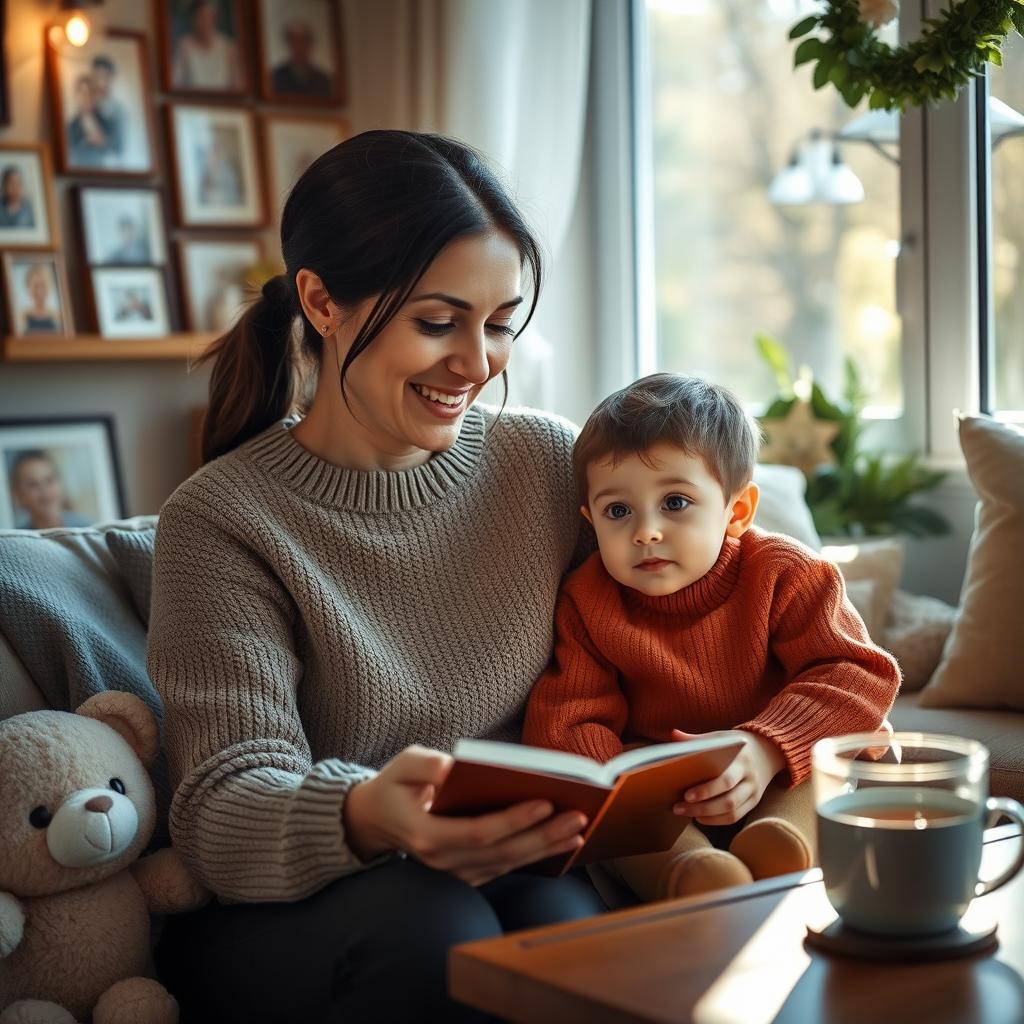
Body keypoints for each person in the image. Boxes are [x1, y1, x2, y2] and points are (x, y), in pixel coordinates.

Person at [148, 129, 605, 1024]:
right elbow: (218, 806)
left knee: (561, 922)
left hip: (513, 871)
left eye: (501, 322)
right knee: (429, 923)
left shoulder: (547, 466)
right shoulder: (220, 520)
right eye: (437, 322)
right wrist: (366, 815)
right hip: (295, 916)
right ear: (321, 301)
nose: (477, 364)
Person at [523, 373, 901, 902]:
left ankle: (782, 850)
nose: (646, 530)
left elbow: (859, 673)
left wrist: (767, 747)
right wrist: (620, 785)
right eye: (618, 511)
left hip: (783, 767)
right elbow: (569, 719)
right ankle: (692, 876)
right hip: (670, 794)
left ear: (737, 511)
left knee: (831, 767)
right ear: (591, 521)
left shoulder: (785, 573)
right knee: (622, 817)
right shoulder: (587, 601)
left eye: (675, 503)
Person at [171, 0, 243, 91]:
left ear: (214, 18)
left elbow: (238, 86)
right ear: (193, 20)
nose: (205, 22)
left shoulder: (228, 47)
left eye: (208, 17)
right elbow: (176, 83)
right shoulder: (184, 46)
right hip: (192, 103)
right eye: (200, 17)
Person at [8, 450, 90, 529]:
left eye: (49, 480)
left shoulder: (87, 528)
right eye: (33, 484)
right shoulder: (17, 538)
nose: (44, 491)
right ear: (18, 495)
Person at [270, 18, 332, 97]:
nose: (300, 47)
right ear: (289, 44)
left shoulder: (323, 79)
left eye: (304, 41)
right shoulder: (276, 77)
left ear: (310, 44)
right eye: (295, 41)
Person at [67, 74, 113, 169]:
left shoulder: (106, 122)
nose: (86, 98)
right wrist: (86, 141)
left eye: (90, 93)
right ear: (77, 96)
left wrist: (104, 143)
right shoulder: (70, 127)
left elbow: (116, 153)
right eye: (83, 93)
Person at [89, 55, 125, 161]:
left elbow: (120, 148)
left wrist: (104, 141)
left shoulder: (118, 111)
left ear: (111, 79)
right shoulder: (86, 108)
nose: (100, 83)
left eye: (104, 77)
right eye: (96, 77)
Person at [197, 124, 243, 206]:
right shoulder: (206, 171)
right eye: (209, 154)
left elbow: (233, 192)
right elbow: (202, 193)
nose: (212, 156)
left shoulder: (227, 170)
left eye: (214, 153)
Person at [19, 264, 61, 334]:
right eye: (35, 286)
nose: (40, 291)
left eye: (43, 285)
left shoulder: (59, 318)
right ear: (28, 287)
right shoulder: (21, 318)